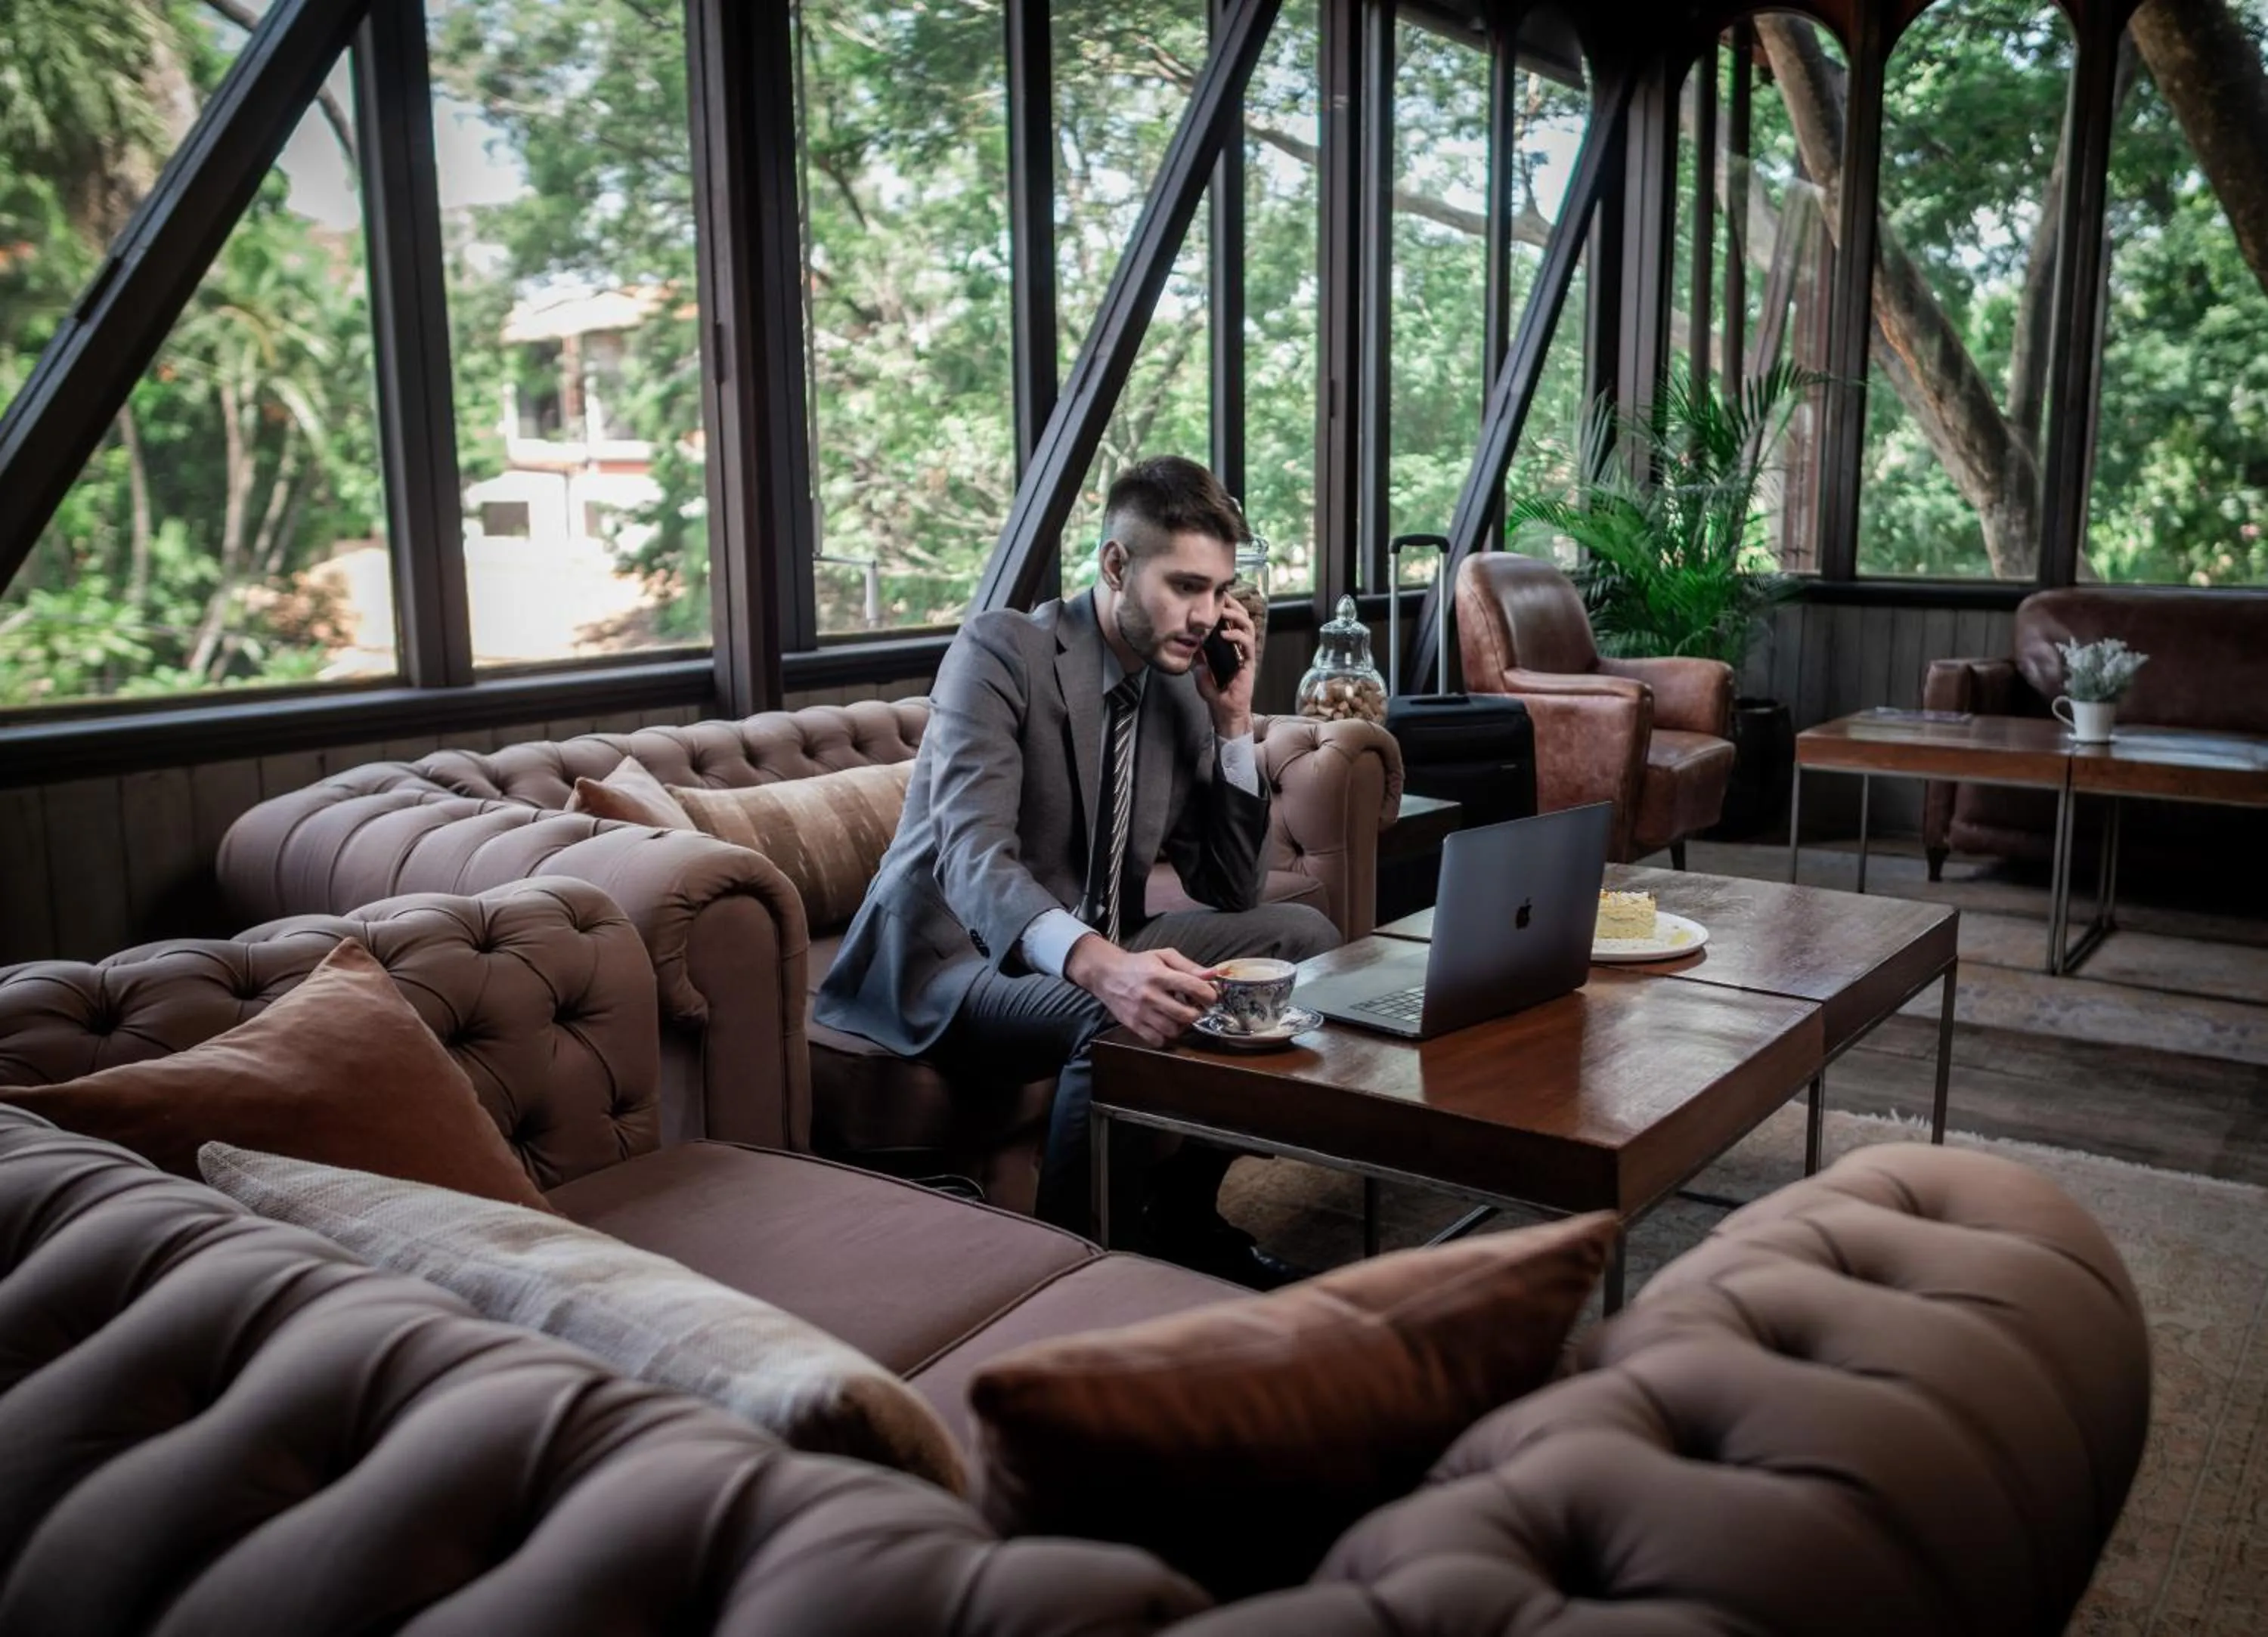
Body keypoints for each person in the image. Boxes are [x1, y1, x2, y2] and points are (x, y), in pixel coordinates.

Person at [815, 456, 1338, 1287]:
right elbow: (972, 858)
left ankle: (1185, 1213)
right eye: (1186, 586)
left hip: (1096, 933)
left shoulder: (1179, 685)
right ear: (1117, 566)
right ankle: (1070, 1271)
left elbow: (1234, 887)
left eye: (1221, 591)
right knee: (1127, 1014)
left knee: (1302, 939)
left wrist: (1234, 722)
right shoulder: (1001, 650)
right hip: (945, 958)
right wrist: (1107, 968)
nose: (1208, 615)